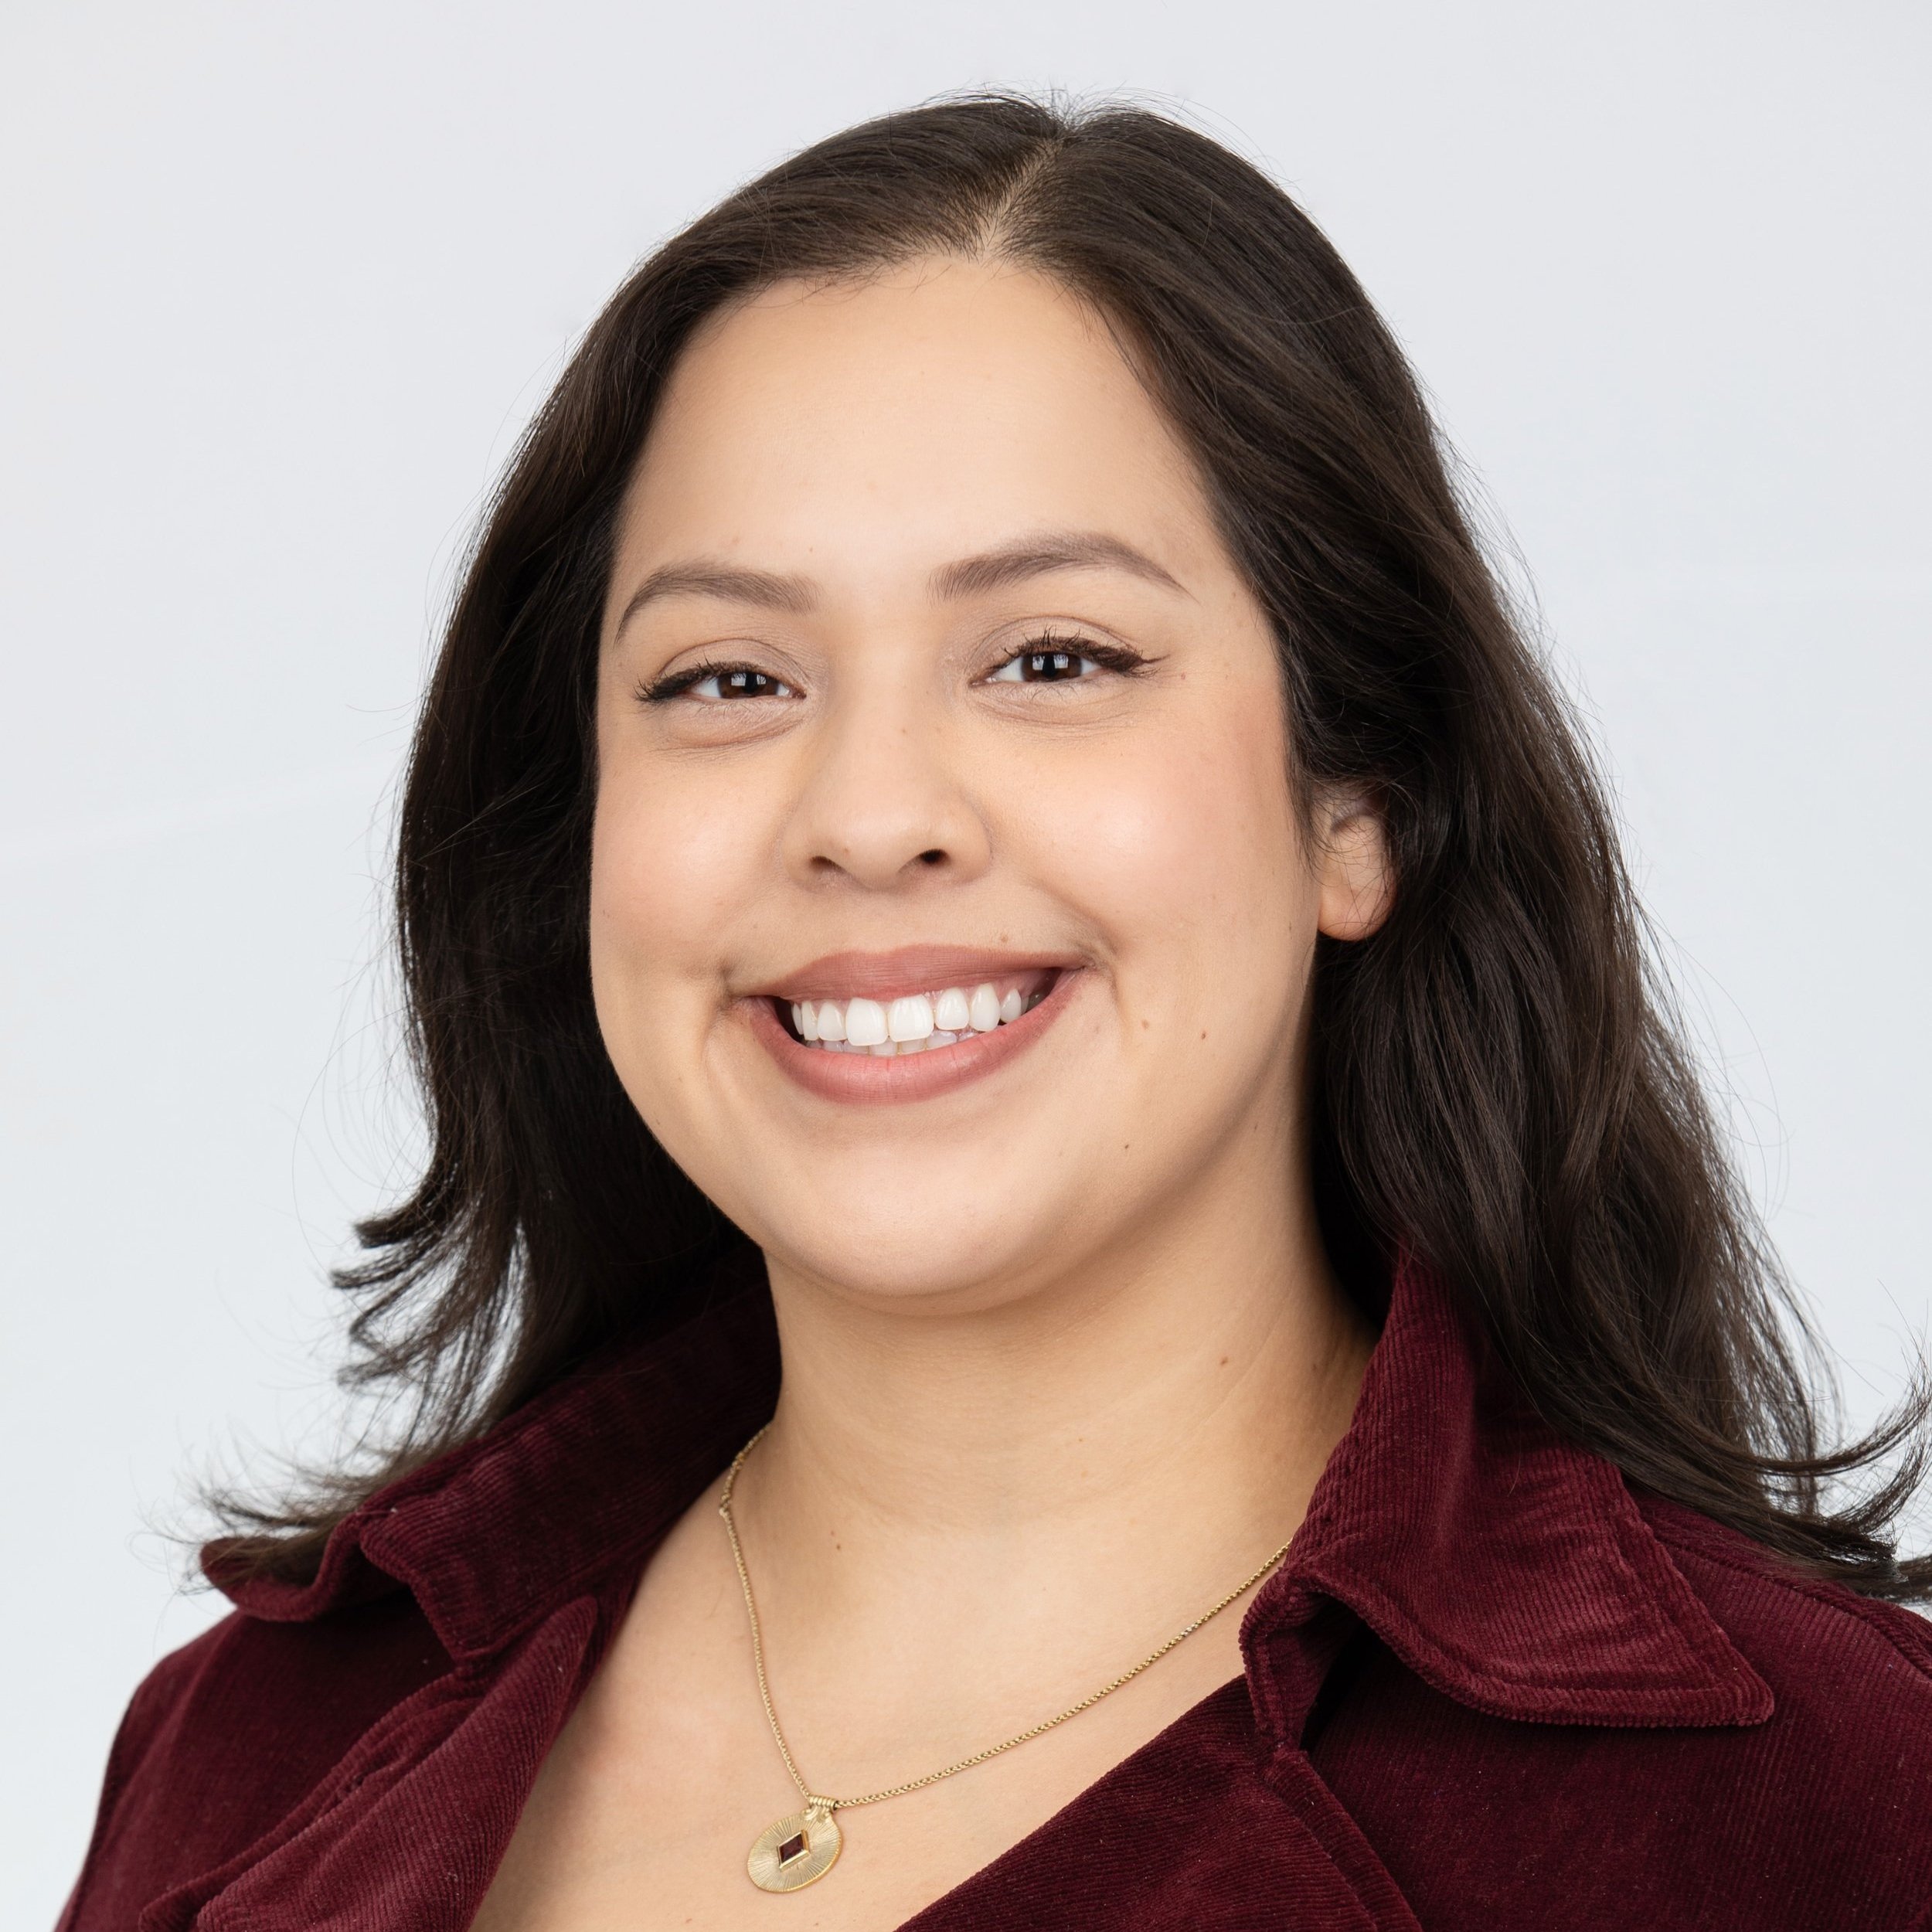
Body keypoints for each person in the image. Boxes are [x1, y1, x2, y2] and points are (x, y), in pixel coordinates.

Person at [60, 97, 1932, 1932]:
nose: (871, 814)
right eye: (725, 676)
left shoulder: (1822, 1815)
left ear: (1357, 805)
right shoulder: (250, 1743)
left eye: (1053, 658)